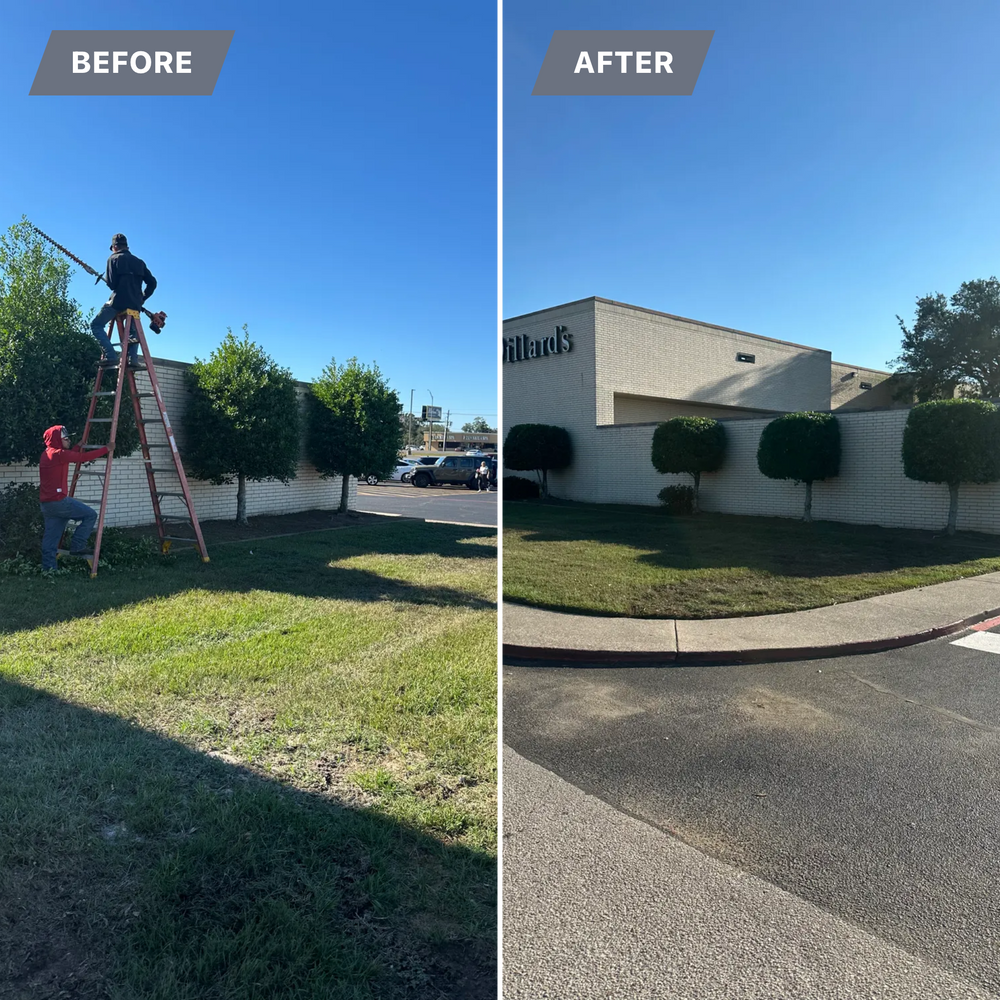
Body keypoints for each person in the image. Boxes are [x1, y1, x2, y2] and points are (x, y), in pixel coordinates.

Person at [38, 425, 109, 571]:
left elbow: (69, 455)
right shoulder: (59, 454)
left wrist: (77, 446)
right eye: (66, 438)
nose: (69, 440)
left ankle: (49, 570)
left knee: (51, 539)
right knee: (90, 515)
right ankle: (77, 546)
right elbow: (82, 458)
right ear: (58, 439)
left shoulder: (48, 453)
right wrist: (106, 449)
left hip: (47, 504)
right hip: (59, 502)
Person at [89, 233, 157, 367]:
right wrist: (142, 298)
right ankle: (133, 360)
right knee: (133, 333)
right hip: (134, 305)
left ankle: (111, 354)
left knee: (96, 325)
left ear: (114, 247)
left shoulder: (113, 259)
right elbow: (152, 283)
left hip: (118, 302)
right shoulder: (139, 262)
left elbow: (112, 285)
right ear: (126, 246)